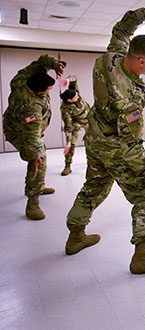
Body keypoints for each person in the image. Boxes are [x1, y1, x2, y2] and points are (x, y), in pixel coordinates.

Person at [65, 5, 145, 275]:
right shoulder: (129, 99)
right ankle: (143, 256)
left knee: (94, 186)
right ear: (141, 61)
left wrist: (141, 14)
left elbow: (121, 30)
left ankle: (75, 235)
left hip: (95, 140)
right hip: (115, 147)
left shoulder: (111, 57)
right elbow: (130, 146)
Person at [3, 55, 65, 220]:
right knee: (38, 160)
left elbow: (39, 62)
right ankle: (33, 200)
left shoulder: (21, 79)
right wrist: (35, 154)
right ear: (38, 91)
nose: (49, 93)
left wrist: (53, 64)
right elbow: (32, 136)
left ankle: (39, 186)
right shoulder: (31, 108)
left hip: (22, 126)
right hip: (21, 132)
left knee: (38, 155)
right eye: (48, 90)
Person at [59, 75, 90, 176]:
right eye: (76, 97)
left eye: (77, 94)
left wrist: (68, 80)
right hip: (76, 122)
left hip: (89, 119)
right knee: (71, 145)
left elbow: (74, 78)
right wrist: (68, 142)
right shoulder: (65, 109)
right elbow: (68, 126)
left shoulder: (74, 92)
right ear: (69, 100)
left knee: (94, 141)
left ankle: (96, 163)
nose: (78, 96)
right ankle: (67, 165)